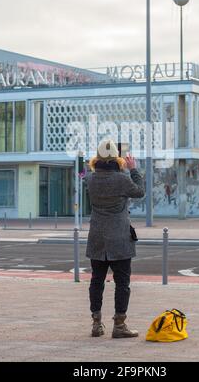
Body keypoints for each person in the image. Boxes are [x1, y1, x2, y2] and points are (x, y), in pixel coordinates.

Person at [85, 139, 145, 338]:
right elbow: (140, 191)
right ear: (117, 159)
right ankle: (119, 326)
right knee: (122, 283)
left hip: (97, 238)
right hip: (119, 239)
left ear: (98, 158)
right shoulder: (122, 179)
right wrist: (133, 169)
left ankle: (96, 324)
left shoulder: (90, 179)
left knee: (96, 281)